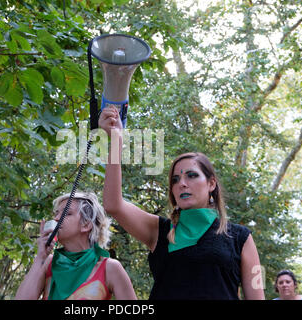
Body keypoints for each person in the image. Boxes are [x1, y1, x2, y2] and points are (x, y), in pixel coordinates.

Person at [98, 106, 265, 300]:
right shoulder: (158, 230)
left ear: (211, 184)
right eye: (175, 180)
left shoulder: (240, 237)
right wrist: (116, 139)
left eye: (192, 176)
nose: (182, 184)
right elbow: (113, 205)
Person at [15, 191, 137, 300]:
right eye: (56, 214)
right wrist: (40, 257)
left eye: (66, 214)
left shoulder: (110, 268)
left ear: (86, 225)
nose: (56, 218)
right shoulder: (48, 263)